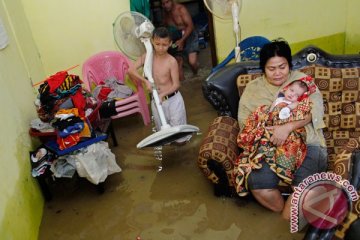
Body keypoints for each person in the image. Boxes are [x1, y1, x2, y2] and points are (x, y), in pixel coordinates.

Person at [233, 39, 328, 220]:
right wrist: (267, 127)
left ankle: (288, 220)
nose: (277, 73)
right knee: (259, 184)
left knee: (304, 192)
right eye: (271, 68)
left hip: (307, 141)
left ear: (289, 65)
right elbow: (245, 123)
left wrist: (288, 127)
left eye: (282, 67)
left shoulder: (304, 82)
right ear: (263, 68)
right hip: (268, 146)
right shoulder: (253, 89)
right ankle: (281, 216)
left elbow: (315, 111)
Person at [233, 77, 317, 196]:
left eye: (297, 94)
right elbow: (270, 112)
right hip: (270, 125)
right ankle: (263, 149)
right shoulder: (279, 98)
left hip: (284, 127)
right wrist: (265, 119)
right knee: (262, 134)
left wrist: (287, 109)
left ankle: (279, 161)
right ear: (286, 88)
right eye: (291, 90)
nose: (292, 95)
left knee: (286, 143)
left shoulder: (294, 104)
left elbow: (295, 114)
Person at [128, 27, 191, 144]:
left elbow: (176, 84)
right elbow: (130, 70)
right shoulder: (147, 57)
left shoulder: (171, 61)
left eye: (164, 45)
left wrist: (163, 94)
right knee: (164, 136)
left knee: (180, 137)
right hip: (156, 102)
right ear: (152, 41)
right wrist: (145, 81)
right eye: (157, 44)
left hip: (173, 100)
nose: (161, 48)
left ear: (170, 43)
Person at [161, 0, 199, 81]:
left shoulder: (181, 9)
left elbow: (190, 26)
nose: (165, 5)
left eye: (167, 2)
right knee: (178, 63)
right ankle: (185, 87)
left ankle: (196, 75)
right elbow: (165, 29)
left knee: (192, 62)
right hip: (177, 38)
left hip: (189, 35)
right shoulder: (165, 13)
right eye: (163, 4)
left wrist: (182, 40)